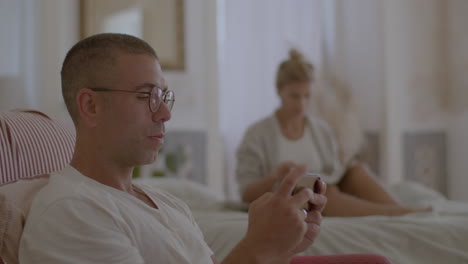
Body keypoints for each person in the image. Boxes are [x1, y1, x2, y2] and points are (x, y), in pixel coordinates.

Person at [18, 33, 327, 264]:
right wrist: (260, 247)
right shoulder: (71, 211)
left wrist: (282, 246)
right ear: (91, 105)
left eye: (164, 97)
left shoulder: (167, 204)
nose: (165, 113)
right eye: (145, 96)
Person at [236, 49, 431, 217]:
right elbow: (246, 193)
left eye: (307, 96)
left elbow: (333, 172)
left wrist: (343, 164)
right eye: (294, 96)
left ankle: (399, 209)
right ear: (279, 91)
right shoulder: (257, 135)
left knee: (357, 171)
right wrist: (275, 177)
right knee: (324, 192)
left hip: (328, 188)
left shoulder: (321, 130)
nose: (302, 104)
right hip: (296, 197)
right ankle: (392, 214)